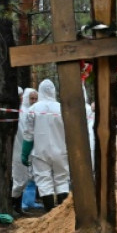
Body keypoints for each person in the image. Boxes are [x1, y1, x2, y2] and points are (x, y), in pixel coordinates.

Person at [22, 79, 70, 211]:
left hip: (40, 152)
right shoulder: (63, 109)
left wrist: (25, 153)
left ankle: (50, 213)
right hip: (61, 151)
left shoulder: (33, 109)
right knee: (62, 180)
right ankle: (63, 214)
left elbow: (28, 134)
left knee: (44, 181)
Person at [11, 88, 37, 215]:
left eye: (35, 98)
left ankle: (17, 207)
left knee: (24, 179)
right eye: (31, 98)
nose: (33, 101)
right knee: (19, 178)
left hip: (27, 150)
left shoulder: (31, 112)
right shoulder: (19, 113)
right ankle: (12, 206)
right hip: (18, 149)